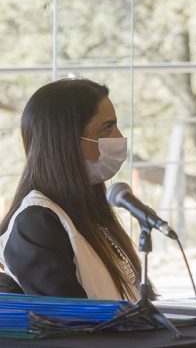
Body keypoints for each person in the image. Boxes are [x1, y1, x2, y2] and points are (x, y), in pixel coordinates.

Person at [0, 78, 141, 301]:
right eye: (107, 128)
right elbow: (71, 323)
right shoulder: (36, 223)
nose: (119, 138)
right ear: (66, 139)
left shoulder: (88, 210)